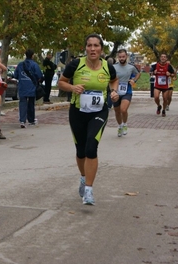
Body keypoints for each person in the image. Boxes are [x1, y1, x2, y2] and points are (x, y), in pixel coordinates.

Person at [57, 33, 119, 205]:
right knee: (81, 150)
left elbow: (114, 81)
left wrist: (114, 92)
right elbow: (61, 82)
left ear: (101, 49)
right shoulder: (76, 64)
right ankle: (84, 178)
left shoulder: (107, 66)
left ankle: (89, 191)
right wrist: (72, 87)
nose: (92, 49)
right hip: (77, 111)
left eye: (96, 45)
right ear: (85, 48)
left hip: (99, 112)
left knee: (92, 146)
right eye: (89, 45)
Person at [113, 49, 140, 137]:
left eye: (123, 57)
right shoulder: (114, 67)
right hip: (116, 91)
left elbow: (138, 74)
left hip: (127, 90)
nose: (121, 58)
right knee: (117, 111)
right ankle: (120, 126)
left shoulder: (131, 67)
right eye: (120, 57)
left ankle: (125, 124)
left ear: (126, 57)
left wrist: (134, 80)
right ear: (118, 57)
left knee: (123, 110)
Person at [13, 49, 43, 128]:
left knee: (22, 103)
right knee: (31, 103)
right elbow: (39, 75)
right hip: (32, 86)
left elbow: (15, 75)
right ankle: (31, 120)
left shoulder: (20, 65)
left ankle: (22, 121)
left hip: (22, 86)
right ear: (32, 55)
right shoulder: (34, 65)